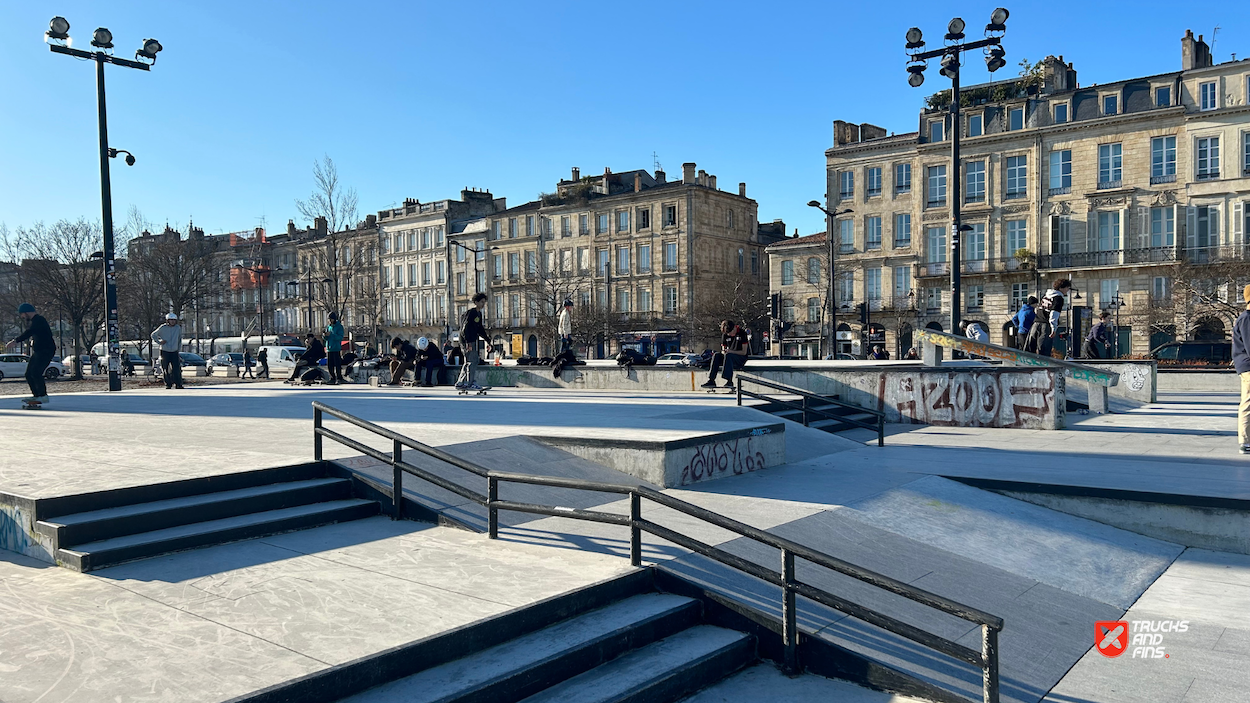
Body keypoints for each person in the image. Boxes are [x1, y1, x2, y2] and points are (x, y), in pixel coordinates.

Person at [10, 303, 56, 404]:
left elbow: (30, 332)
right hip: (39, 351)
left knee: (36, 372)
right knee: (29, 374)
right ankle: (37, 396)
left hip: (46, 350)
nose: (22, 317)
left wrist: (15, 341)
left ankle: (43, 395)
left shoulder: (39, 320)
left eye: (22, 314)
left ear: (26, 312)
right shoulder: (34, 321)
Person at [1025, 279, 1071, 357]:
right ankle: (1043, 366)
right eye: (1067, 288)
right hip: (1046, 324)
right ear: (1061, 288)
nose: (1067, 290)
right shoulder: (1058, 298)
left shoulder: (1046, 295)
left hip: (1036, 323)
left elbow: (1038, 308)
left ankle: (1027, 363)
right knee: (1044, 349)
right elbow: (1054, 313)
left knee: (1031, 346)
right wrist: (1054, 328)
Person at [700, 320, 750, 389]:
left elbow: (744, 352)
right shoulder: (725, 335)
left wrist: (730, 351)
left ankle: (729, 380)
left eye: (730, 333)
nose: (729, 335)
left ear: (734, 328)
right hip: (728, 357)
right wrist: (725, 352)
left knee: (729, 355)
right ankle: (711, 380)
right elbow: (723, 350)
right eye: (727, 333)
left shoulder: (742, 333)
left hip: (740, 358)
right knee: (716, 355)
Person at [456, 292, 488, 390]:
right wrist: (468, 343)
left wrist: (488, 340)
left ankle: (460, 382)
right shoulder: (471, 313)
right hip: (467, 340)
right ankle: (470, 383)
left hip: (469, 340)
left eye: (484, 302)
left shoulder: (478, 313)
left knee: (469, 361)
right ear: (476, 302)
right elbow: (465, 329)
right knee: (472, 361)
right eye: (481, 302)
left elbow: (480, 329)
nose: (483, 304)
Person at [1234, 284, 1250, 454]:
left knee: (1247, 402)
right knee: (1247, 403)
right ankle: (1244, 442)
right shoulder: (1247, 318)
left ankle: (1245, 441)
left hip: (1246, 364)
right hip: (1248, 365)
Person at [151, 313, 185, 389]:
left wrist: (178, 349)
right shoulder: (163, 328)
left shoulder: (178, 328)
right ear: (167, 320)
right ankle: (168, 384)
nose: (172, 322)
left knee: (176, 368)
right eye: (171, 320)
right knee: (165, 368)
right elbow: (153, 335)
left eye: (174, 320)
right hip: (164, 350)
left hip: (174, 351)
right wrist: (159, 341)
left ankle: (178, 384)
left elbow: (179, 339)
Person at [325, 312, 345, 385]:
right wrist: (325, 336)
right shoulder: (328, 327)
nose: (330, 321)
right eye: (329, 319)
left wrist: (332, 335)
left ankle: (339, 377)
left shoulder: (339, 327)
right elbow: (326, 338)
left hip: (336, 348)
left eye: (331, 319)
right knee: (330, 364)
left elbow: (340, 337)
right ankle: (332, 377)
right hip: (329, 348)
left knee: (337, 364)